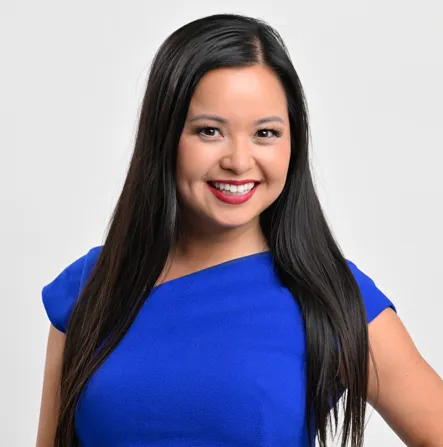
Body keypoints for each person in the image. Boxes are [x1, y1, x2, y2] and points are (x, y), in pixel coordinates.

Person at [36, 13, 443, 447]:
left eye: (265, 133)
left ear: (293, 143)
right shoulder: (89, 284)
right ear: (164, 137)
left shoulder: (332, 295)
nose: (239, 160)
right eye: (209, 131)